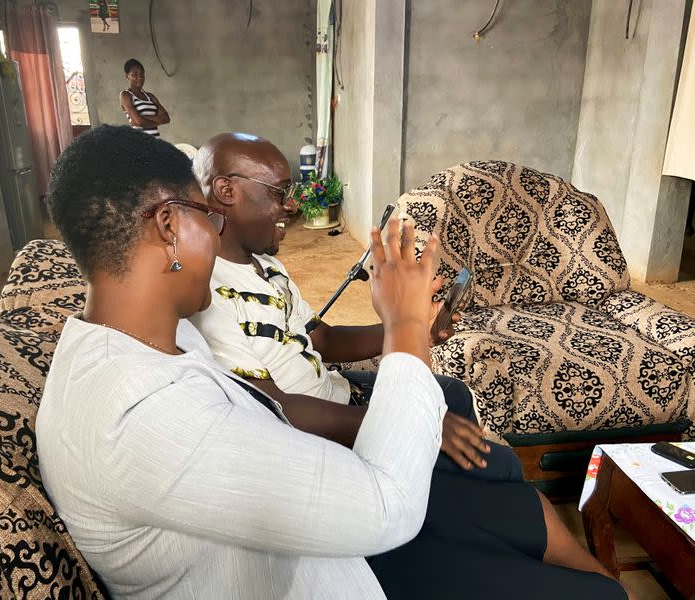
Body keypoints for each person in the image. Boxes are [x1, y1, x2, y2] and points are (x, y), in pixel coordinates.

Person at [37, 124, 629, 600]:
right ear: (168, 225)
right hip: (340, 566)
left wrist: (403, 337)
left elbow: (271, 399)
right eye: (203, 216)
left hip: (317, 536)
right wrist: (405, 328)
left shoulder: (139, 346)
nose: (214, 235)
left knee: (493, 501)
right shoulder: (138, 418)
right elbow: (387, 509)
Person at [190, 132, 520, 481]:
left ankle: (455, 492)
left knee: (450, 393)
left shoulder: (267, 268)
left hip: (334, 395)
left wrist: (409, 327)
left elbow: (325, 340)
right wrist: (405, 418)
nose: (291, 205)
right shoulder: (208, 291)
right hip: (307, 433)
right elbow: (273, 408)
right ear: (227, 191)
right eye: (279, 192)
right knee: (499, 467)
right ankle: (446, 492)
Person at [120, 59, 170, 139]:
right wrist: (158, 121)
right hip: (139, 145)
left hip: (156, 143)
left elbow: (166, 118)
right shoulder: (125, 95)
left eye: (142, 74)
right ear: (127, 76)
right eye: (135, 74)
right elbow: (138, 122)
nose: (139, 77)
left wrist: (143, 117)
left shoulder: (150, 96)